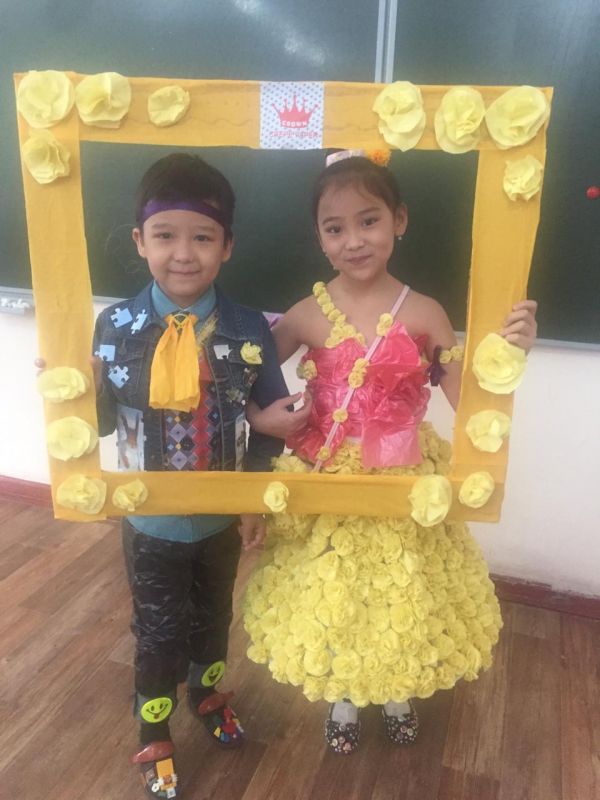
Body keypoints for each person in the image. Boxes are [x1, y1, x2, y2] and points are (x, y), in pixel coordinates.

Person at [243, 151, 538, 755]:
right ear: (319, 237)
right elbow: (240, 376)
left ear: (398, 220)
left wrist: (511, 354)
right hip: (328, 478)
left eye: (369, 220)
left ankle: (398, 689)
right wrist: (257, 417)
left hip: (404, 476)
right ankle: (344, 694)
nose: (353, 240)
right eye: (335, 228)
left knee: (401, 587)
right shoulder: (306, 314)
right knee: (336, 588)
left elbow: (466, 398)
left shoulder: (426, 312)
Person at [91, 153, 291, 797]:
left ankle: (207, 698)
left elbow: (270, 422)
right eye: (165, 236)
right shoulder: (114, 327)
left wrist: (254, 498)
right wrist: (73, 387)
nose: (183, 254)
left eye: (203, 237)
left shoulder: (247, 328)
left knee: (212, 618)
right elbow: (98, 423)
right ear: (140, 241)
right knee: (157, 632)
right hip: (149, 521)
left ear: (227, 246)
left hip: (221, 519)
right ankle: (153, 729)